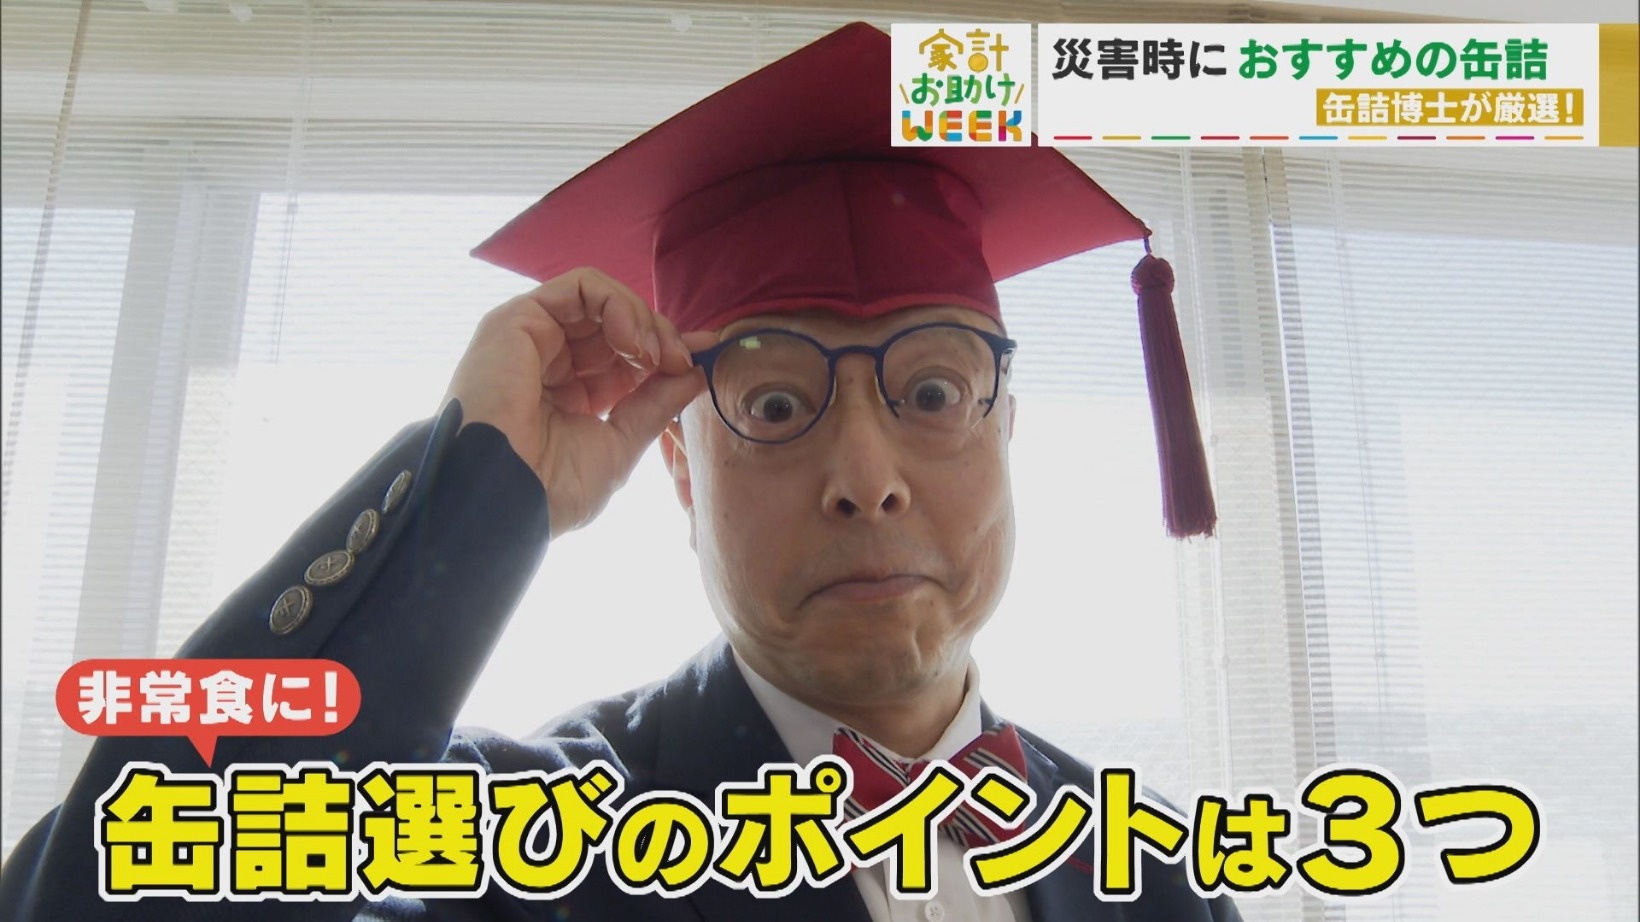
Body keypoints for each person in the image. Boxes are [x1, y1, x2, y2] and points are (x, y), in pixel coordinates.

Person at [0, 22, 1237, 922]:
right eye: (771, 403)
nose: (865, 477)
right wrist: (470, 500)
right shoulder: (520, 844)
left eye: (930, 393)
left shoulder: (1159, 879)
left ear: (1007, 428)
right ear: (680, 467)